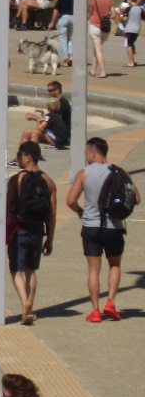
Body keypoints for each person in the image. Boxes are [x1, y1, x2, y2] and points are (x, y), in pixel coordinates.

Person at [65, 135, 133, 322]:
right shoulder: (121, 172)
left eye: (87, 153)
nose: (86, 156)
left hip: (91, 226)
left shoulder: (84, 173)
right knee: (115, 265)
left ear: (94, 153)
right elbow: (136, 198)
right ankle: (110, 302)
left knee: (93, 270)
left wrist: (80, 211)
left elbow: (70, 200)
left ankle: (95, 311)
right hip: (114, 227)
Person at [7, 141, 57, 326]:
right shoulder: (49, 181)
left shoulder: (16, 180)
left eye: (20, 155)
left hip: (19, 230)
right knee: (31, 270)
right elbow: (52, 215)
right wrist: (50, 239)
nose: (18, 159)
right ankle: (31, 306)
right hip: (37, 230)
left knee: (16, 270)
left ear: (28, 157)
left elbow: (7, 207)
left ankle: (24, 302)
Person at [20, 82, 70, 153]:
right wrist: (40, 117)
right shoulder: (59, 106)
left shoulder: (62, 104)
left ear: (57, 90)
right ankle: (22, 154)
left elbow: (41, 128)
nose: (48, 93)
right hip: (59, 135)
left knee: (35, 133)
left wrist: (37, 119)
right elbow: (51, 120)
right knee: (28, 132)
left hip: (60, 138)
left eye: (50, 91)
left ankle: (31, 154)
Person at [86, 0, 115, 77]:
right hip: (105, 27)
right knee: (97, 49)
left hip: (95, 26)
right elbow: (113, 15)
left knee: (98, 50)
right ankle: (93, 70)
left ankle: (103, 72)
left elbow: (89, 14)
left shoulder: (92, 0)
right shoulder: (109, 0)